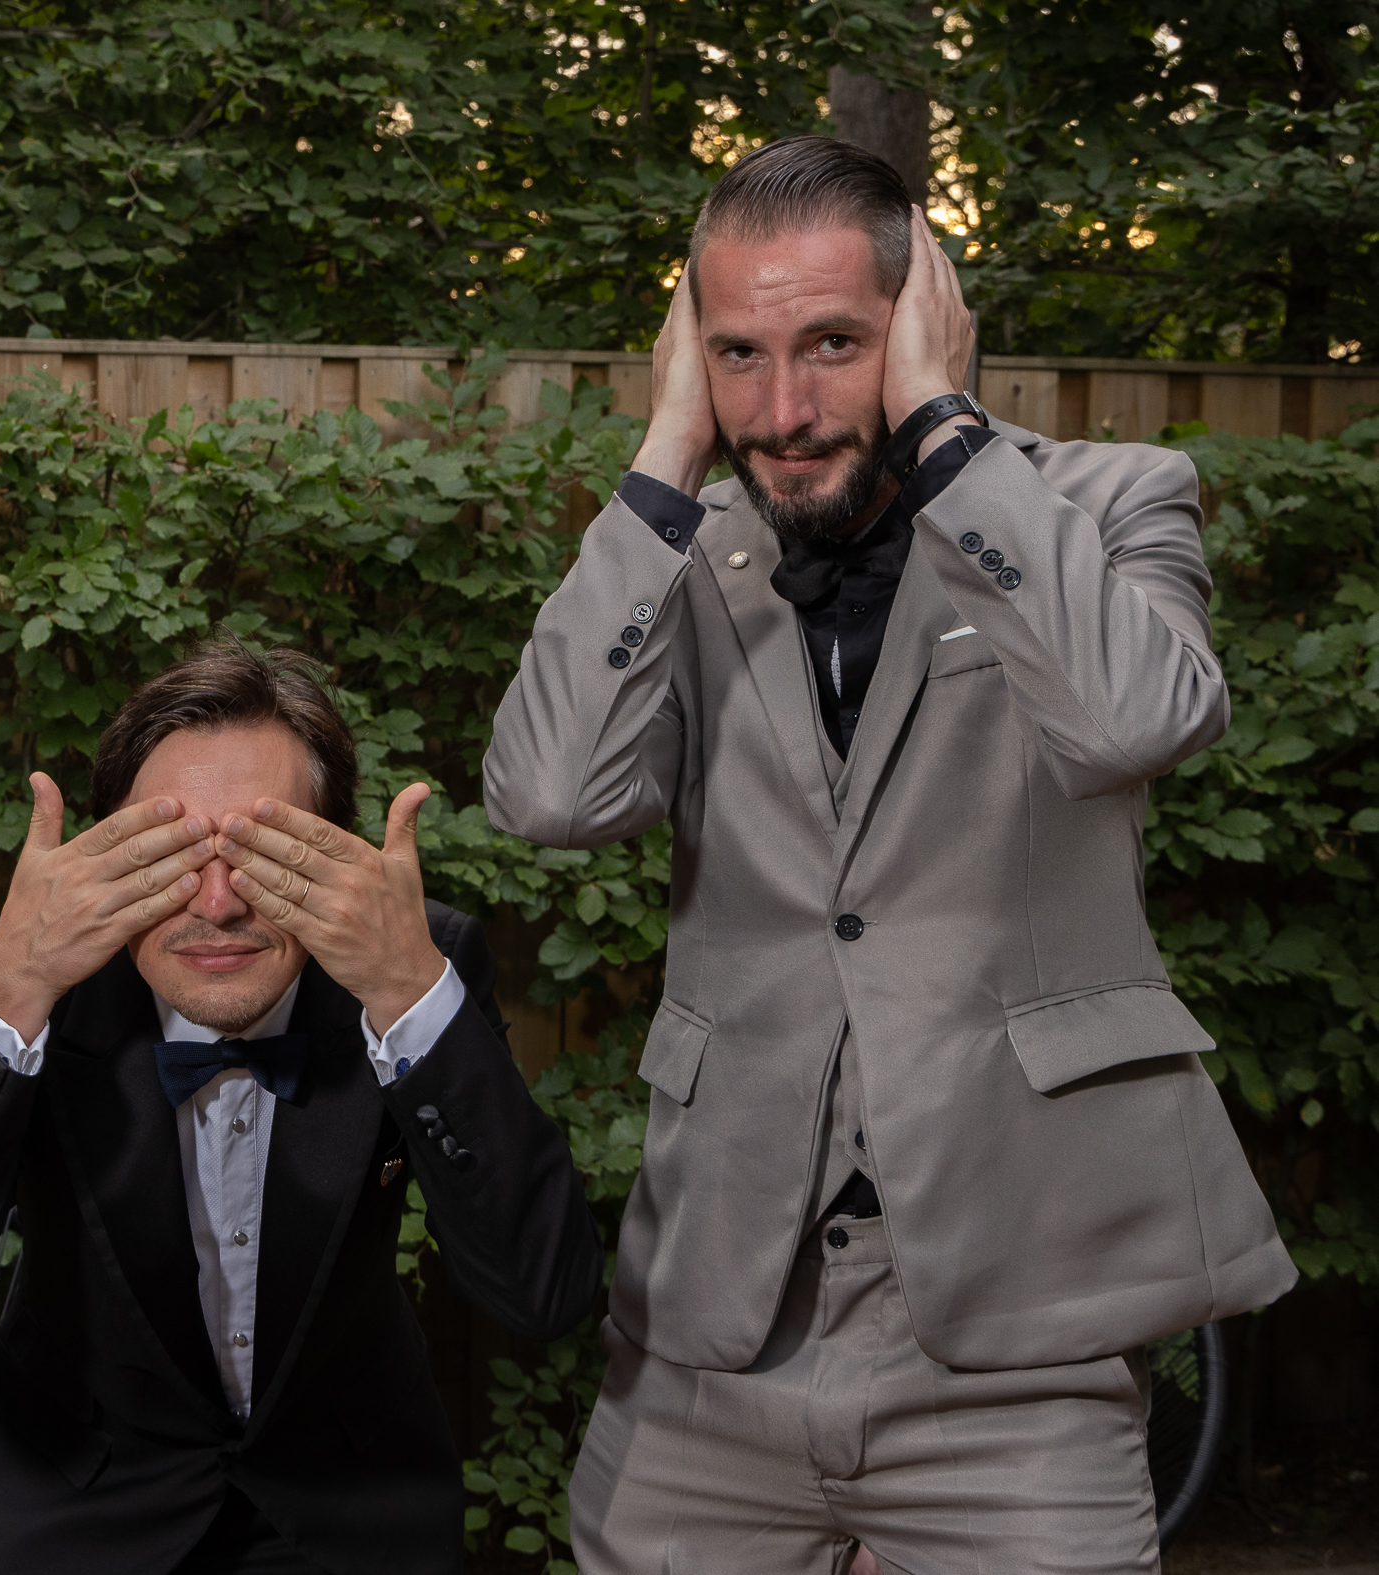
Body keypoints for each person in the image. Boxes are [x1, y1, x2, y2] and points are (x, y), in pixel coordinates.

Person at [483, 136, 1296, 1574]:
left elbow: (1136, 718)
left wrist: (939, 429)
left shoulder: (1105, 501)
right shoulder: (678, 551)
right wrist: (665, 456)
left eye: (833, 345)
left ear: (925, 318)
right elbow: (548, 792)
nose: (782, 412)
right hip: (709, 1338)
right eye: (736, 354)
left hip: (1023, 1342)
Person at [0, 640, 602, 1574]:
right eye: (174, 854)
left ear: (335, 857)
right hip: (70, 1506)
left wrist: (410, 996)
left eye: (263, 855)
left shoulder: (407, 964)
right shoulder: (29, 973)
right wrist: (9, 990)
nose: (220, 903)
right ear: (112, 854)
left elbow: (545, 1292)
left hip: (345, 1507)